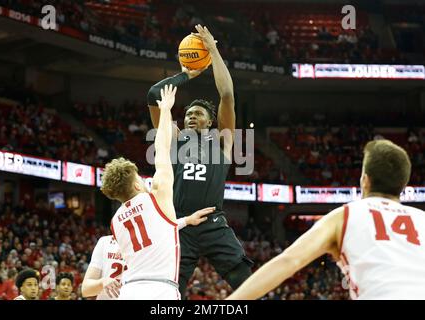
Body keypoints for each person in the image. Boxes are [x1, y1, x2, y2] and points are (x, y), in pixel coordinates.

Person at [227, 140, 425, 300]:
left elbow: (289, 260)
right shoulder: (422, 218)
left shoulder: (346, 215)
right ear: (403, 185)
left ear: (365, 179)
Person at [147, 24, 253, 299]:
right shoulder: (173, 139)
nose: (191, 116)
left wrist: (213, 50)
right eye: (188, 114)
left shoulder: (222, 141)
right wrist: (184, 75)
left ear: (211, 121)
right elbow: (152, 96)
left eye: (198, 113)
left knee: (246, 281)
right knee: (168, 293)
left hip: (213, 222)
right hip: (179, 224)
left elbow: (227, 94)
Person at [103, 85, 214, 300]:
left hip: (128, 291)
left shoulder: (115, 222)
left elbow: (154, 230)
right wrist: (165, 110)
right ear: (136, 185)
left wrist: (186, 221)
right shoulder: (156, 195)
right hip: (160, 290)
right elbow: (162, 147)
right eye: (139, 179)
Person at [81, 209, 212, 300]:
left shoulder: (145, 242)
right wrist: (103, 282)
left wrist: (187, 220)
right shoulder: (104, 242)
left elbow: (166, 228)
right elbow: (86, 290)